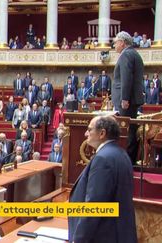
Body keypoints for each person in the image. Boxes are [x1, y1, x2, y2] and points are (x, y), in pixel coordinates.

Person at [68, 115, 137, 243]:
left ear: (102, 133)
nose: (85, 133)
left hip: (104, 235)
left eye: (89, 130)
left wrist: (78, 239)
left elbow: (95, 206)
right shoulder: (121, 154)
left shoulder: (103, 159)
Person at [112, 31, 145, 164]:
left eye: (115, 42)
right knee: (131, 129)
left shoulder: (126, 55)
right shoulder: (135, 54)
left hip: (127, 100)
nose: (114, 45)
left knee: (127, 131)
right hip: (131, 99)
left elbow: (126, 78)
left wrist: (124, 98)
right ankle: (129, 160)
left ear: (122, 42)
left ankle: (127, 161)